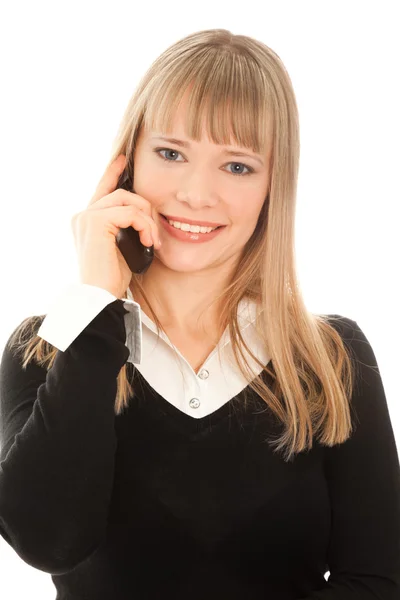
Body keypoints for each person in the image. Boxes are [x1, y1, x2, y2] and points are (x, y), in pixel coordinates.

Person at [0, 28, 399, 600]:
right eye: (171, 153)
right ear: (126, 164)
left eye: (237, 167)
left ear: (272, 186)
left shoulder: (330, 356)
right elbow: (47, 542)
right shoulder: (46, 346)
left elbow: (378, 582)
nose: (197, 194)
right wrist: (96, 303)